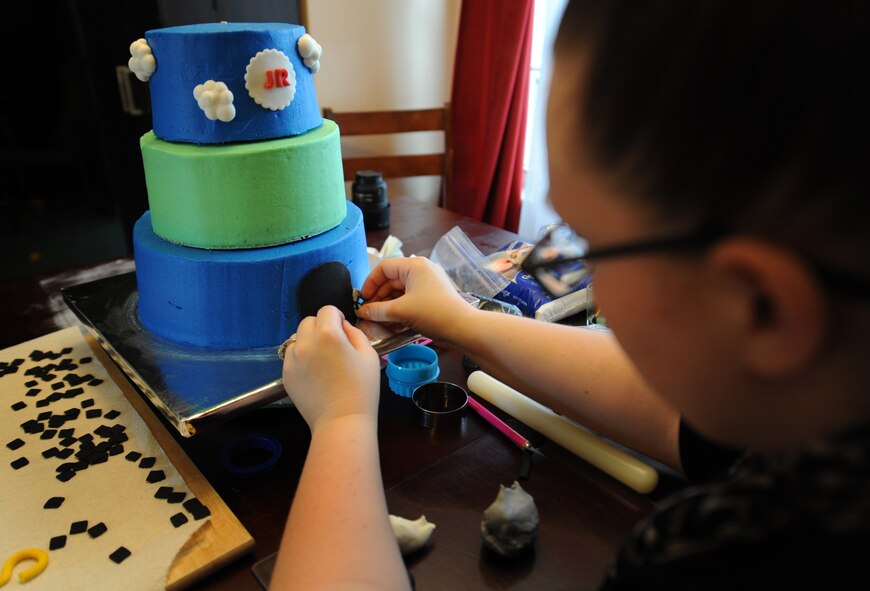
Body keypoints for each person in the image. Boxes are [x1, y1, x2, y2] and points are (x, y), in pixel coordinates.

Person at [271, 1, 870, 588]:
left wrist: (342, 422)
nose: (580, 268)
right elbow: (685, 418)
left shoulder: (715, 552)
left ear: (760, 308)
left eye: (593, 240)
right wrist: (461, 320)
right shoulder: (809, 407)